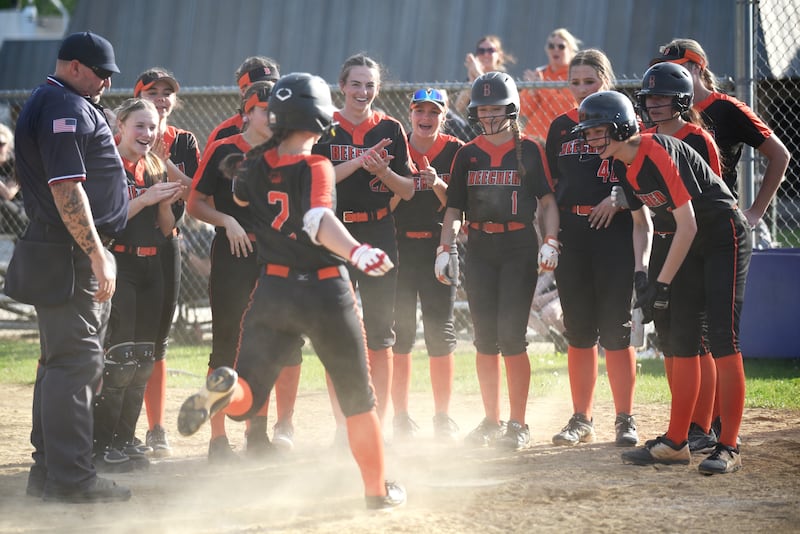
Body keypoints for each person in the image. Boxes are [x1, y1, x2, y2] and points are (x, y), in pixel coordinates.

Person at [177, 72, 406, 510]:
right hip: (325, 293)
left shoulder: (252, 167)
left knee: (247, 397)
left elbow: (243, 198)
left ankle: (226, 392)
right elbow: (318, 219)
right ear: (319, 116)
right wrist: (357, 252)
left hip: (273, 290)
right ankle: (377, 492)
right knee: (360, 398)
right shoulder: (316, 164)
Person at [573, 90, 752, 474]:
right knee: (682, 340)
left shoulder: (657, 149)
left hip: (723, 235)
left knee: (723, 338)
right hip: (687, 242)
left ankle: (730, 445)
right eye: (588, 133)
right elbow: (643, 223)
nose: (591, 139)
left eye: (597, 131)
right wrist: (643, 274)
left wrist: (664, 283)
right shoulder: (622, 165)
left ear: (621, 126)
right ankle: (676, 442)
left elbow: (688, 222)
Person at [13, 30, 130, 502]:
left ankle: (48, 474)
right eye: (101, 72)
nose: (105, 82)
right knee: (75, 365)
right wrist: (97, 251)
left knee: (58, 363)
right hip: (70, 254)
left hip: (56, 250)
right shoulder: (64, 103)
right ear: (76, 66)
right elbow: (66, 187)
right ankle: (72, 480)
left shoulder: (51, 98)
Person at [654, 37, 789, 442]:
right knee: (678, 334)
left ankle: (709, 426)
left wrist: (754, 212)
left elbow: (779, 155)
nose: (671, 77)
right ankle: (688, 426)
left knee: (712, 336)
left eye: (680, 66)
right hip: (677, 230)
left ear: (698, 67)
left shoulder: (725, 109)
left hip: (715, 229)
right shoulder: (662, 112)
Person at [437, 71, 560, 451]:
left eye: (496, 109)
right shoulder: (467, 153)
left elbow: (548, 202)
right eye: (483, 110)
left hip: (518, 246)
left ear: (511, 109)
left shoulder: (529, 150)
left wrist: (552, 240)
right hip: (480, 248)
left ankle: (518, 423)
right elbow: (454, 206)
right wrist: (445, 248)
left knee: (512, 337)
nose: (489, 117)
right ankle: (491, 420)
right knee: (484, 339)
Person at [189, 80, 302, 461]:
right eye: (263, 109)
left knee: (266, 344)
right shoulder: (224, 149)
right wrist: (226, 221)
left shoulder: (286, 152)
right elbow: (195, 203)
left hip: (274, 256)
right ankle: (217, 440)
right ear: (247, 112)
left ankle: (257, 434)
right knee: (226, 343)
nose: (271, 117)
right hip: (233, 255)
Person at [546, 49, 651, 448]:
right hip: (573, 231)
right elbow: (552, 188)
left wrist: (621, 196)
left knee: (616, 328)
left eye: (589, 81)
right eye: (575, 82)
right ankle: (581, 418)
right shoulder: (560, 127)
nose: (581, 90)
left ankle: (625, 418)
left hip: (613, 231)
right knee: (579, 330)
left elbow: (642, 169)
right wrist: (551, 237)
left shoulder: (625, 120)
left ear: (605, 81)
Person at [312, 54, 415, 435]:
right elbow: (314, 182)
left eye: (370, 84)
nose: (363, 91)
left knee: (379, 332)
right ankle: (343, 425)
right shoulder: (323, 126)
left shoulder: (389, 127)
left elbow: (407, 189)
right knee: (337, 330)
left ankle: (378, 424)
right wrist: (358, 162)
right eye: (356, 83)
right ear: (342, 86)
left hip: (379, 232)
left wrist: (383, 170)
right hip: (333, 235)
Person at [635, 61, 723, 454]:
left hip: (696, 243)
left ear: (682, 100)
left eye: (663, 97)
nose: (654, 103)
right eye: (650, 96)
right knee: (670, 339)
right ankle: (681, 422)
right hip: (662, 243)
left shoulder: (697, 137)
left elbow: (713, 196)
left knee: (696, 340)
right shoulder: (643, 137)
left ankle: (702, 426)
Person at [92, 98, 184, 470]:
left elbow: (167, 230)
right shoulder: (108, 165)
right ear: (121, 128)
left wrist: (164, 203)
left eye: (152, 127)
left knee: (145, 358)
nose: (147, 134)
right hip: (121, 263)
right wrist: (146, 198)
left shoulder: (155, 166)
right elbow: (107, 222)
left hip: (152, 266)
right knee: (119, 360)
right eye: (139, 126)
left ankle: (126, 437)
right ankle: (102, 442)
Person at [134, 67, 201, 457]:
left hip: (166, 241)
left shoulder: (184, 141)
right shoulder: (122, 133)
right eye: (152, 91)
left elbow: (194, 193)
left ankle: (156, 429)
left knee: (157, 342)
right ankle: (111, 427)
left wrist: (162, 159)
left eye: (167, 92)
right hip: (123, 246)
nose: (161, 98)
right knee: (122, 341)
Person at [389, 88, 463, 442]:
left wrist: (436, 183)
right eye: (420, 110)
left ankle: (442, 416)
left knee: (440, 333)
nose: (426, 118)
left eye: (434, 112)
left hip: (439, 248)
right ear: (411, 113)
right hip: (400, 248)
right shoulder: (396, 146)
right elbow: (383, 201)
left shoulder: (456, 150)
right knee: (399, 335)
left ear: (444, 116)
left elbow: (460, 205)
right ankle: (400, 416)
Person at [204, 56, 280, 149]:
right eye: (261, 86)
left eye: (274, 85)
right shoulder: (224, 132)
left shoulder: (286, 127)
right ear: (244, 91)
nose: (269, 89)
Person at [519, 28, 580, 141]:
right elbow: (523, 110)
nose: (555, 50)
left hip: (559, 138)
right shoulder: (540, 73)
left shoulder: (575, 75)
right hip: (532, 137)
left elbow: (566, 108)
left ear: (571, 50)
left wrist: (542, 87)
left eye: (561, 46)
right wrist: (532, 91)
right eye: (551, 46)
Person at [453, 35, 516, 118]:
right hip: (473, 126)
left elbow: (493, 93)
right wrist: (472, 80)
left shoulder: (503, 78)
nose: (486, 54)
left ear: (499, 55)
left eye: (491, 50)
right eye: (481, 51)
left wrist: (477, 72)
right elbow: (457, 108)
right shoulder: (473, 76)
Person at [0, 123, 29, 237]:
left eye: (1, 144)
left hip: (18, 211)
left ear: (9, 145)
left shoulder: (17, 164)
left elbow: (9, 193)